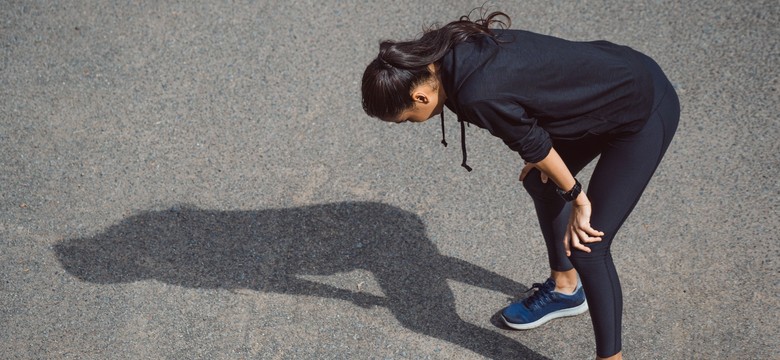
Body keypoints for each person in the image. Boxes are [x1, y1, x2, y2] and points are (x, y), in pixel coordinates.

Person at [360, 10, 679, 360]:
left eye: (406, 120)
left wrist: (578, 199)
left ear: (421, 97)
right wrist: (552, 168)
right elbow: (531, 105)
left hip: (642, 110)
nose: (411, 124)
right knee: (542, 183)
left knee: (588, 246)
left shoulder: (477, 94)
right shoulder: (444, 54)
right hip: (603, 91)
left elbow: (533, 143)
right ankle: (565, 289)